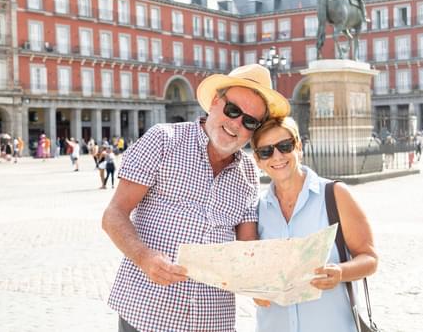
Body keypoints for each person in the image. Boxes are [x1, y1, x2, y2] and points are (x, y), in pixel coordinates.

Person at [101, 64, 290, 332]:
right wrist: (144, 257)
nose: (236, 123)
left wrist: (273, 277)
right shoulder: (163, 140)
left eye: (249, 121)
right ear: (215, 102)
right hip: (148, 314)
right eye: (233, 110)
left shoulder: (248, 172)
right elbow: (113, 214)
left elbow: (248, 246)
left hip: (212, 321)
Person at [251, 117, 378, 332]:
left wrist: (340, 272)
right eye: (266, 151)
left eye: (285, 146)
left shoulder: (335, 195)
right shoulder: (257, 209)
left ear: (298, 147)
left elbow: (370, 258)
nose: (277, 156)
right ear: (257, 160)